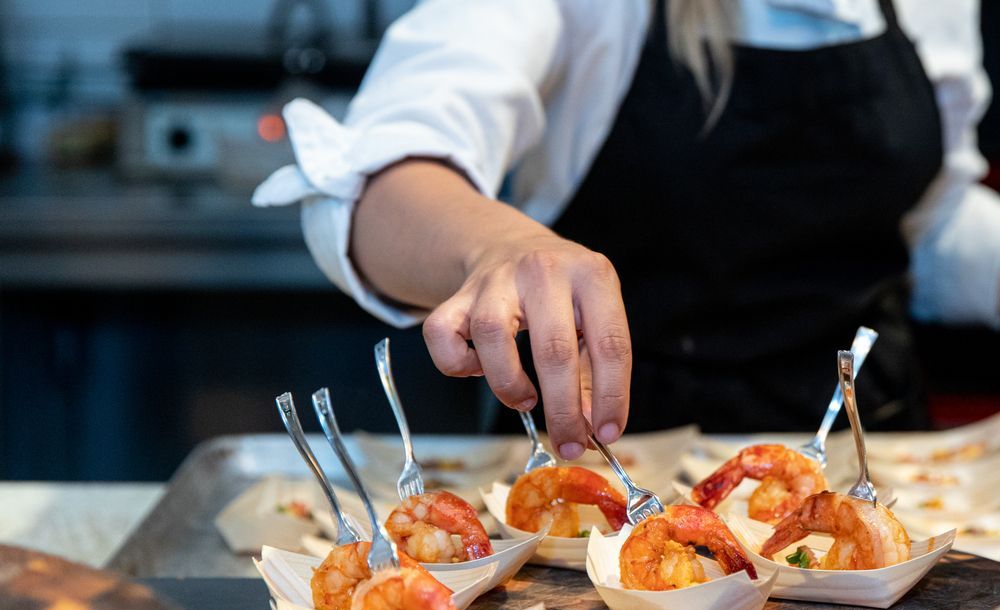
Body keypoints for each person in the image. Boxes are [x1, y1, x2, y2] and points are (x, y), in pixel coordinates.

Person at [254, 0, 1000, 460]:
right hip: (612, 470)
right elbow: (370, 181)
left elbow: (921, 230)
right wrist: (498, 249)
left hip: (878, 462)